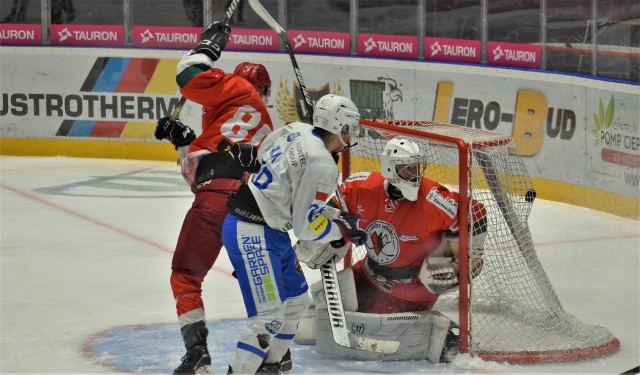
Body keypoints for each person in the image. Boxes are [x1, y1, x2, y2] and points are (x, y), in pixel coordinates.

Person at [153, 21, 277, 375]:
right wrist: (184, 141)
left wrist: (209, 44)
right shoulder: (267, 126)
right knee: (259, 284)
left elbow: (188, 73)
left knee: (185, 276)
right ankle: (274, 355)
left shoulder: (235, 87)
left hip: (215, 200)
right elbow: (224, 155)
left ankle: (197, 355)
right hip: (254, 210)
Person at [297, 137, 487, 364]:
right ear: (389, 167)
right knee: (315, 319)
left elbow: (476, 213)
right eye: (407, 169)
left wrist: (466, 254)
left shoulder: (434, 200)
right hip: (367, 276)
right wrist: (325, 233)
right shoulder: (362, 186)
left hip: (411, 293)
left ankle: (436, 331)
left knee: (374, 335)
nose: (414, 174)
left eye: (416, 167)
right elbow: (331, 209)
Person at [221, 94, 368, 374]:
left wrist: (332, 216)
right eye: (351, 127)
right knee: (268, 318)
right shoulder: (323, 164)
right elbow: (304, 228)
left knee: (296, 303)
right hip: (253, 233)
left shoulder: (297, 128)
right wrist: (342, 231)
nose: (353, 134)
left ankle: (269, 367)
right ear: (341, 127)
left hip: (266, 230)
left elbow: (263, 153)